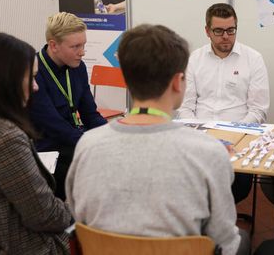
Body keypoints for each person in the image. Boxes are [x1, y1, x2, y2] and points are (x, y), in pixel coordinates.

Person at [66, 24, 249, 255]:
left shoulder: (87, 146)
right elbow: (225, 243)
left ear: (127, 78)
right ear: (177, 82)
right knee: (243, 238)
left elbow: (79, 217)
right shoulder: (208, 152)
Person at [177, 3, 270, 203]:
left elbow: (258, 110)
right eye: (218, 31)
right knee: (185, 181)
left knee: (237, 188)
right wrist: (198, 135)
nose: (226, 36)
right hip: (199, 139)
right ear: (207, 31)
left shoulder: (253, 59)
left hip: (238, 141)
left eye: (231, 30)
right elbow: (185, 107)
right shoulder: (194, 59)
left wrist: (233, 136)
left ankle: (214, 222)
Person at [0, 33, 72, 254]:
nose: (36, 87)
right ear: (6, 80)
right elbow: (45, 216)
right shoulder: (5, 139)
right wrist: (82, 206)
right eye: (32, 77)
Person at [29, 12, 106, 200]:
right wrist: (92, 144)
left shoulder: (77, 67)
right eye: (75, 46)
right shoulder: (35, 73)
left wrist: (112, 134)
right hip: (47, 148)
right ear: (53, 45)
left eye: (84, 45)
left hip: (71, 139)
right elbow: (54, 126)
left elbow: (90, 114)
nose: (83, 52)